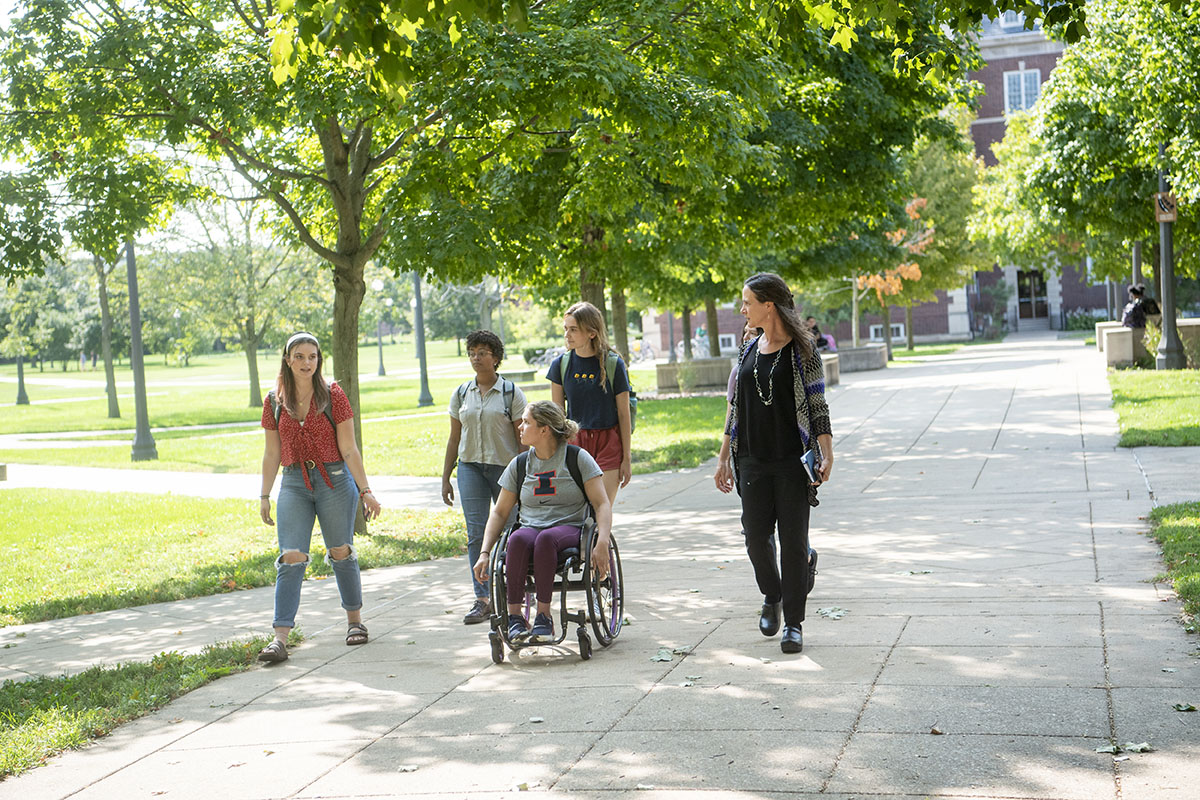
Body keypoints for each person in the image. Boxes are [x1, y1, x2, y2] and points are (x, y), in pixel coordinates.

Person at [715, 273, 834, 654]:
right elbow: (735, 409)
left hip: (791, 462)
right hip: (751, 460)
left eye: (747, 301)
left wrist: (826, 451)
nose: (742, 309)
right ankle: (773, 594)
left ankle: (794, 624)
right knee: (754, 536)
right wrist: (723, 457)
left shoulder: (803, 351)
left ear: (770, 305)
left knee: (794, 544)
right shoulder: (747, 349)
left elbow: (817, 406)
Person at [257, 332, 382, 663]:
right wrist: (265, 494)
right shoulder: (272, 401)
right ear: (287, 359)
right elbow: (272, 453)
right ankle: (280, 638)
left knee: (341, 551)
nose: (306, 363)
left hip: (335, 480)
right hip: (294, 481)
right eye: (299, 356)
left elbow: (349, 447)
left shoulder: (333, 395)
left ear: (318, 360)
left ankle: (355, 622)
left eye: (312, 357)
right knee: (291, 556)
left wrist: (365, 490)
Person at [473, 400, 613, 643]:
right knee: (516, 538)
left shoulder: (577, 458)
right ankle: (515, 618)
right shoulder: (520, 464)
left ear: (544, 429)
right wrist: (485, 552)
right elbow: (499, 512)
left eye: (527, 422)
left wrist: (601, 542)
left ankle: (544, 617)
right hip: (530, 528)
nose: (520, 427)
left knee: (546, 539)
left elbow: (601, 504)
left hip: (570, 527)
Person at [442, 330, 527, 625]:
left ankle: (517, 593)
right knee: (476, 535)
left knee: (514, 531)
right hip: (470, 469)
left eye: (483, 352)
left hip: (506, 470)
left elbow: (523, 440)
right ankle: (482, 599)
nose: (476, 358)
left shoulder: (511, 393)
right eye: (472, 353)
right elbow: (454, 438)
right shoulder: (461, 393)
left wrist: (524, 474)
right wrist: (445, 477)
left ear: (496, 358)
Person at [547, 301, 633, 505]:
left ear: (591, 333)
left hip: (608, 443)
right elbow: (558, 416)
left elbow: (624, 414)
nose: (567, 334)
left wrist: (626, 459)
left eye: (574, 329)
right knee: (577, 510)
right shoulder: (560, 365)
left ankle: (600, 538)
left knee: (601, 509)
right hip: (575, 443)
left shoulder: (614, 364)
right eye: (565, 329)